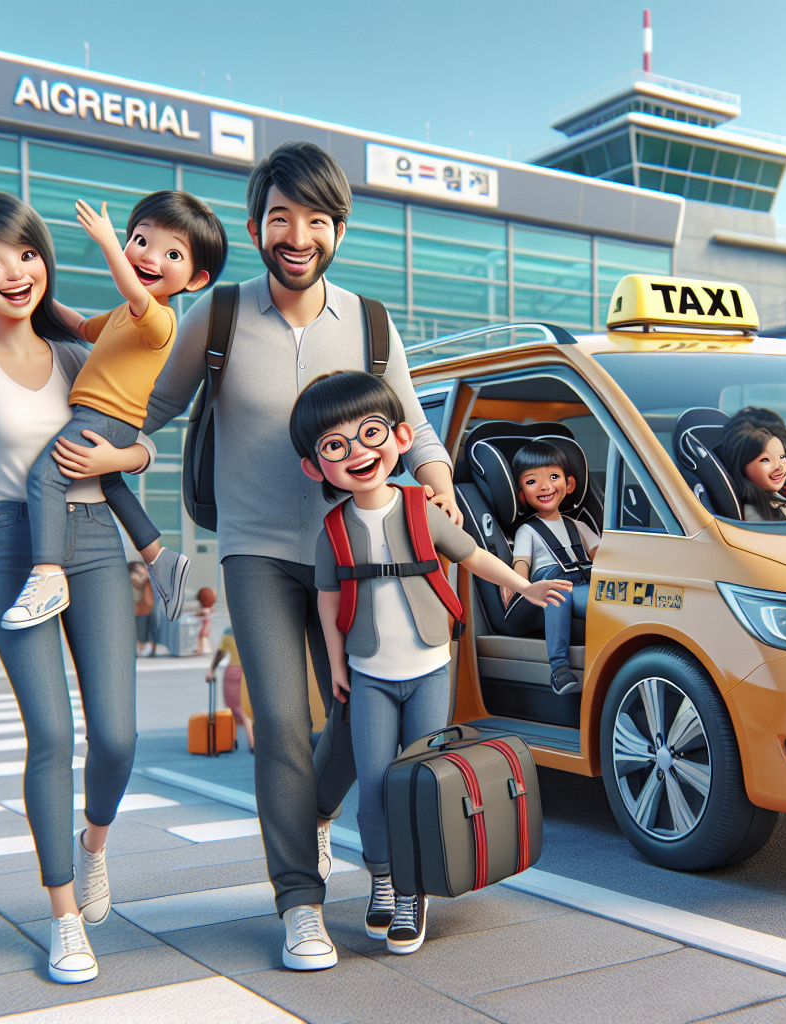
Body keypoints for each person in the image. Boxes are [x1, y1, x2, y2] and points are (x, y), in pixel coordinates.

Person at [142, 141, 460, 970]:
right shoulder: (214, 318)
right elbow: (148, 409)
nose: (298, 234)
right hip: (255, 554)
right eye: (280, 217)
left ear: (338, 230)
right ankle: (300, 903)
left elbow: (413, 423)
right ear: (255, 226)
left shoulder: (370, 323)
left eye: (316, 219)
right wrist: (89, 449)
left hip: (354, 558)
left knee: (364, 720)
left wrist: (436, 476)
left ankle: (328, 824)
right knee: (282, 721)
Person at [0, 189, 158, 985]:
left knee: (117, 737)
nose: (13, 272)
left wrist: (121, 460)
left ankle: (93, 846)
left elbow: (140, 446)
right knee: (51, 737)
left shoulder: (83, 353)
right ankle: (63, 918)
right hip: (17, 548)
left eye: (23, 253)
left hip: (95, 546)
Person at [293, 371, 570, 956]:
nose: (359, 454)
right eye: (336, 447)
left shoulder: (421, 508)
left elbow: (472, 556)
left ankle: (412, 893)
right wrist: (337, 665)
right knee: (373, 785)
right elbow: (326, 600)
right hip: (368, 672)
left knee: (420, 782)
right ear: (317, 467)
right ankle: (383, 880)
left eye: (369, 435)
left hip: (429, 666)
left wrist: (526, 586)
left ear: (399, 436)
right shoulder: (333, 529)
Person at [1, 192, 227, 632]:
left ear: (196, 280)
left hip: (107, 417)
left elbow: (132, 288)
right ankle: (159, 558)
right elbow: (83, 328)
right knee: (109, 484)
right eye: (141, 240)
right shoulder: (126, 313)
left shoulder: (160, 321)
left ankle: (48, 574)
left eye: (172, 253)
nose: (149, 257)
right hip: (105, 417)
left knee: (44, 476)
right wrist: (41, 303)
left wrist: (108, 242)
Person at [508, 441, 599, 694]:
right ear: (521, 494)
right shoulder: (527, 530)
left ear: (569, 485)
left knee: (603, 598)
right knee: (557, 595)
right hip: (548, 584)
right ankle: (559, 669)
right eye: (532, 481)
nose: (545, 486)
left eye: (554, 477)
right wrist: (518, 585)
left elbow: (600, 553)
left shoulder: (576, 524)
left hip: (583, 580)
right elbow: (521, 562)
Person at [206, 625, 255, 753]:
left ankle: (247, 742)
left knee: (235, 708)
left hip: (233, 673)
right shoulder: (254, 628)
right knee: (248, 709)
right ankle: (251, 741)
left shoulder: (229, 631)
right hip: (250, 672)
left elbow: (221, 652)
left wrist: (211, 669)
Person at [128, 561, 156, 656]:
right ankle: (140, 648)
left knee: (147, 630)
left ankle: (146, 648)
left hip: (146, 608)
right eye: (140, 566)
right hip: (138, 610)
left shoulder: (145, 578)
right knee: (140, 630)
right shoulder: (133, 576)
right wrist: (145, 573)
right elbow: (140, 582)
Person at [195, 586, 216, 655]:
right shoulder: (206, 611)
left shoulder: (204, 610)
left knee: (203, 640)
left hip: (204, 629)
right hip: (204, 629)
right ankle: (204, 650)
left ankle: (202, 649)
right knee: (204, 640)